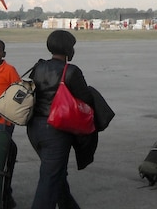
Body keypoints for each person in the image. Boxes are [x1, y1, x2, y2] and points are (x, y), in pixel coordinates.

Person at [27, 30, 95, 209]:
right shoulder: (71, 71)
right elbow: (86, 99)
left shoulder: (38, 66)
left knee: (56, 175)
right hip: (56, 130)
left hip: (34, 128)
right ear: (67, 48)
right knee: (49, 182)